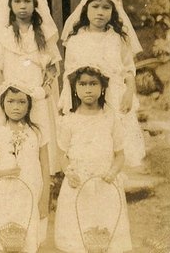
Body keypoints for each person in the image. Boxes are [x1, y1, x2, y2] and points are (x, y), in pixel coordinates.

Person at [60, 0, 145, 167]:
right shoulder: (76, 40)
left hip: (114, 97)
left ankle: (114, 183)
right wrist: (69, 101)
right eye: (95, 7)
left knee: (114, 143)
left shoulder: (118, 39)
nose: (100, 12)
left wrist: (129, 92)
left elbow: (129, 69)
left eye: (106, 8)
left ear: (113, 12)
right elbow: (69, 73)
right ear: (86, 9)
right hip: (86, 98)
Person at [55, 65, 132, 253]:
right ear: (74, 88)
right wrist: (69, 172)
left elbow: (120, 155)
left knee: (104, 231)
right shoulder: (69, 120)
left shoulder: (111, 118)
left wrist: (113, 172)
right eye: (82, 84)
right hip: (78, 183)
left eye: (93, 84)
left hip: (105, 181)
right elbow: (61, 154)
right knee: (79, 235)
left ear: (103, 87)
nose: (88, 89)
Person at [0, 0, 61, 173]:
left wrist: (45, 90)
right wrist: (5, 94)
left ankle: (42, 176)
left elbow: (53, 68)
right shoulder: (3, 35)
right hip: (11, 97)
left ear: (35, 4)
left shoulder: (44, 34)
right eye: (18, 2)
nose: (22, 6)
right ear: (11, 6)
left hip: (36, 95)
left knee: (39, 134)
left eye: (27, 1)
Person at [0, 82, 50, 253]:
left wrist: (44, 200)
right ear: (3, 104)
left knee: (27, 234)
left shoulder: (37, 132)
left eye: (21, 102)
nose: (16, 107)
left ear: (29, 105)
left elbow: (45, 167)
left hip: (31, 186)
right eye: (10, 102)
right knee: (5, 235)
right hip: (5, 188)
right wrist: (3, 173)